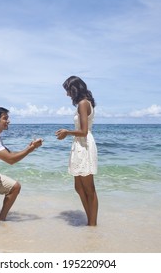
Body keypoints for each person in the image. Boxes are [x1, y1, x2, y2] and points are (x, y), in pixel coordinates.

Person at [55, 76, 98, 226]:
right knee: (79, 187)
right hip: (80, 145)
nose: (67, 94)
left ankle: (92, 224)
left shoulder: (83, 103)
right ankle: (90, 220)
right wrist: (69, 134)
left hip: (84, 144)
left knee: (89, 188)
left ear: (74, 89)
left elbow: (84, 131)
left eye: (67, 90)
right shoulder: (85, 103)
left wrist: (67, 132)